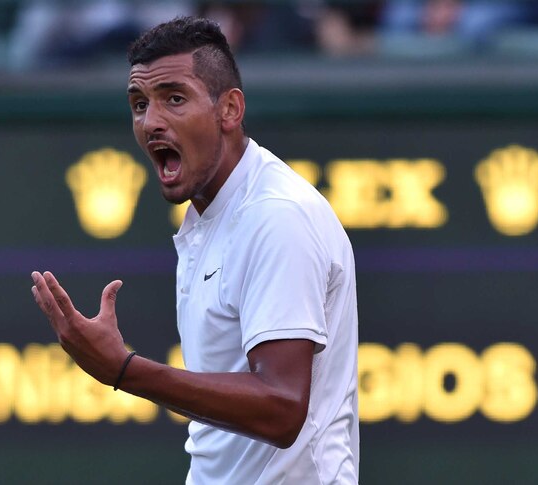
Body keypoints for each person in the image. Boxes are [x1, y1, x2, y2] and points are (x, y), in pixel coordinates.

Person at [30, 16, 359, 485]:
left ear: (230, 109)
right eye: (140, 104)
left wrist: (124, 369)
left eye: (174, 99)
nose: (152, 122)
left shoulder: (276, 216)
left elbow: (282, 409)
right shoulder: (209, 212)